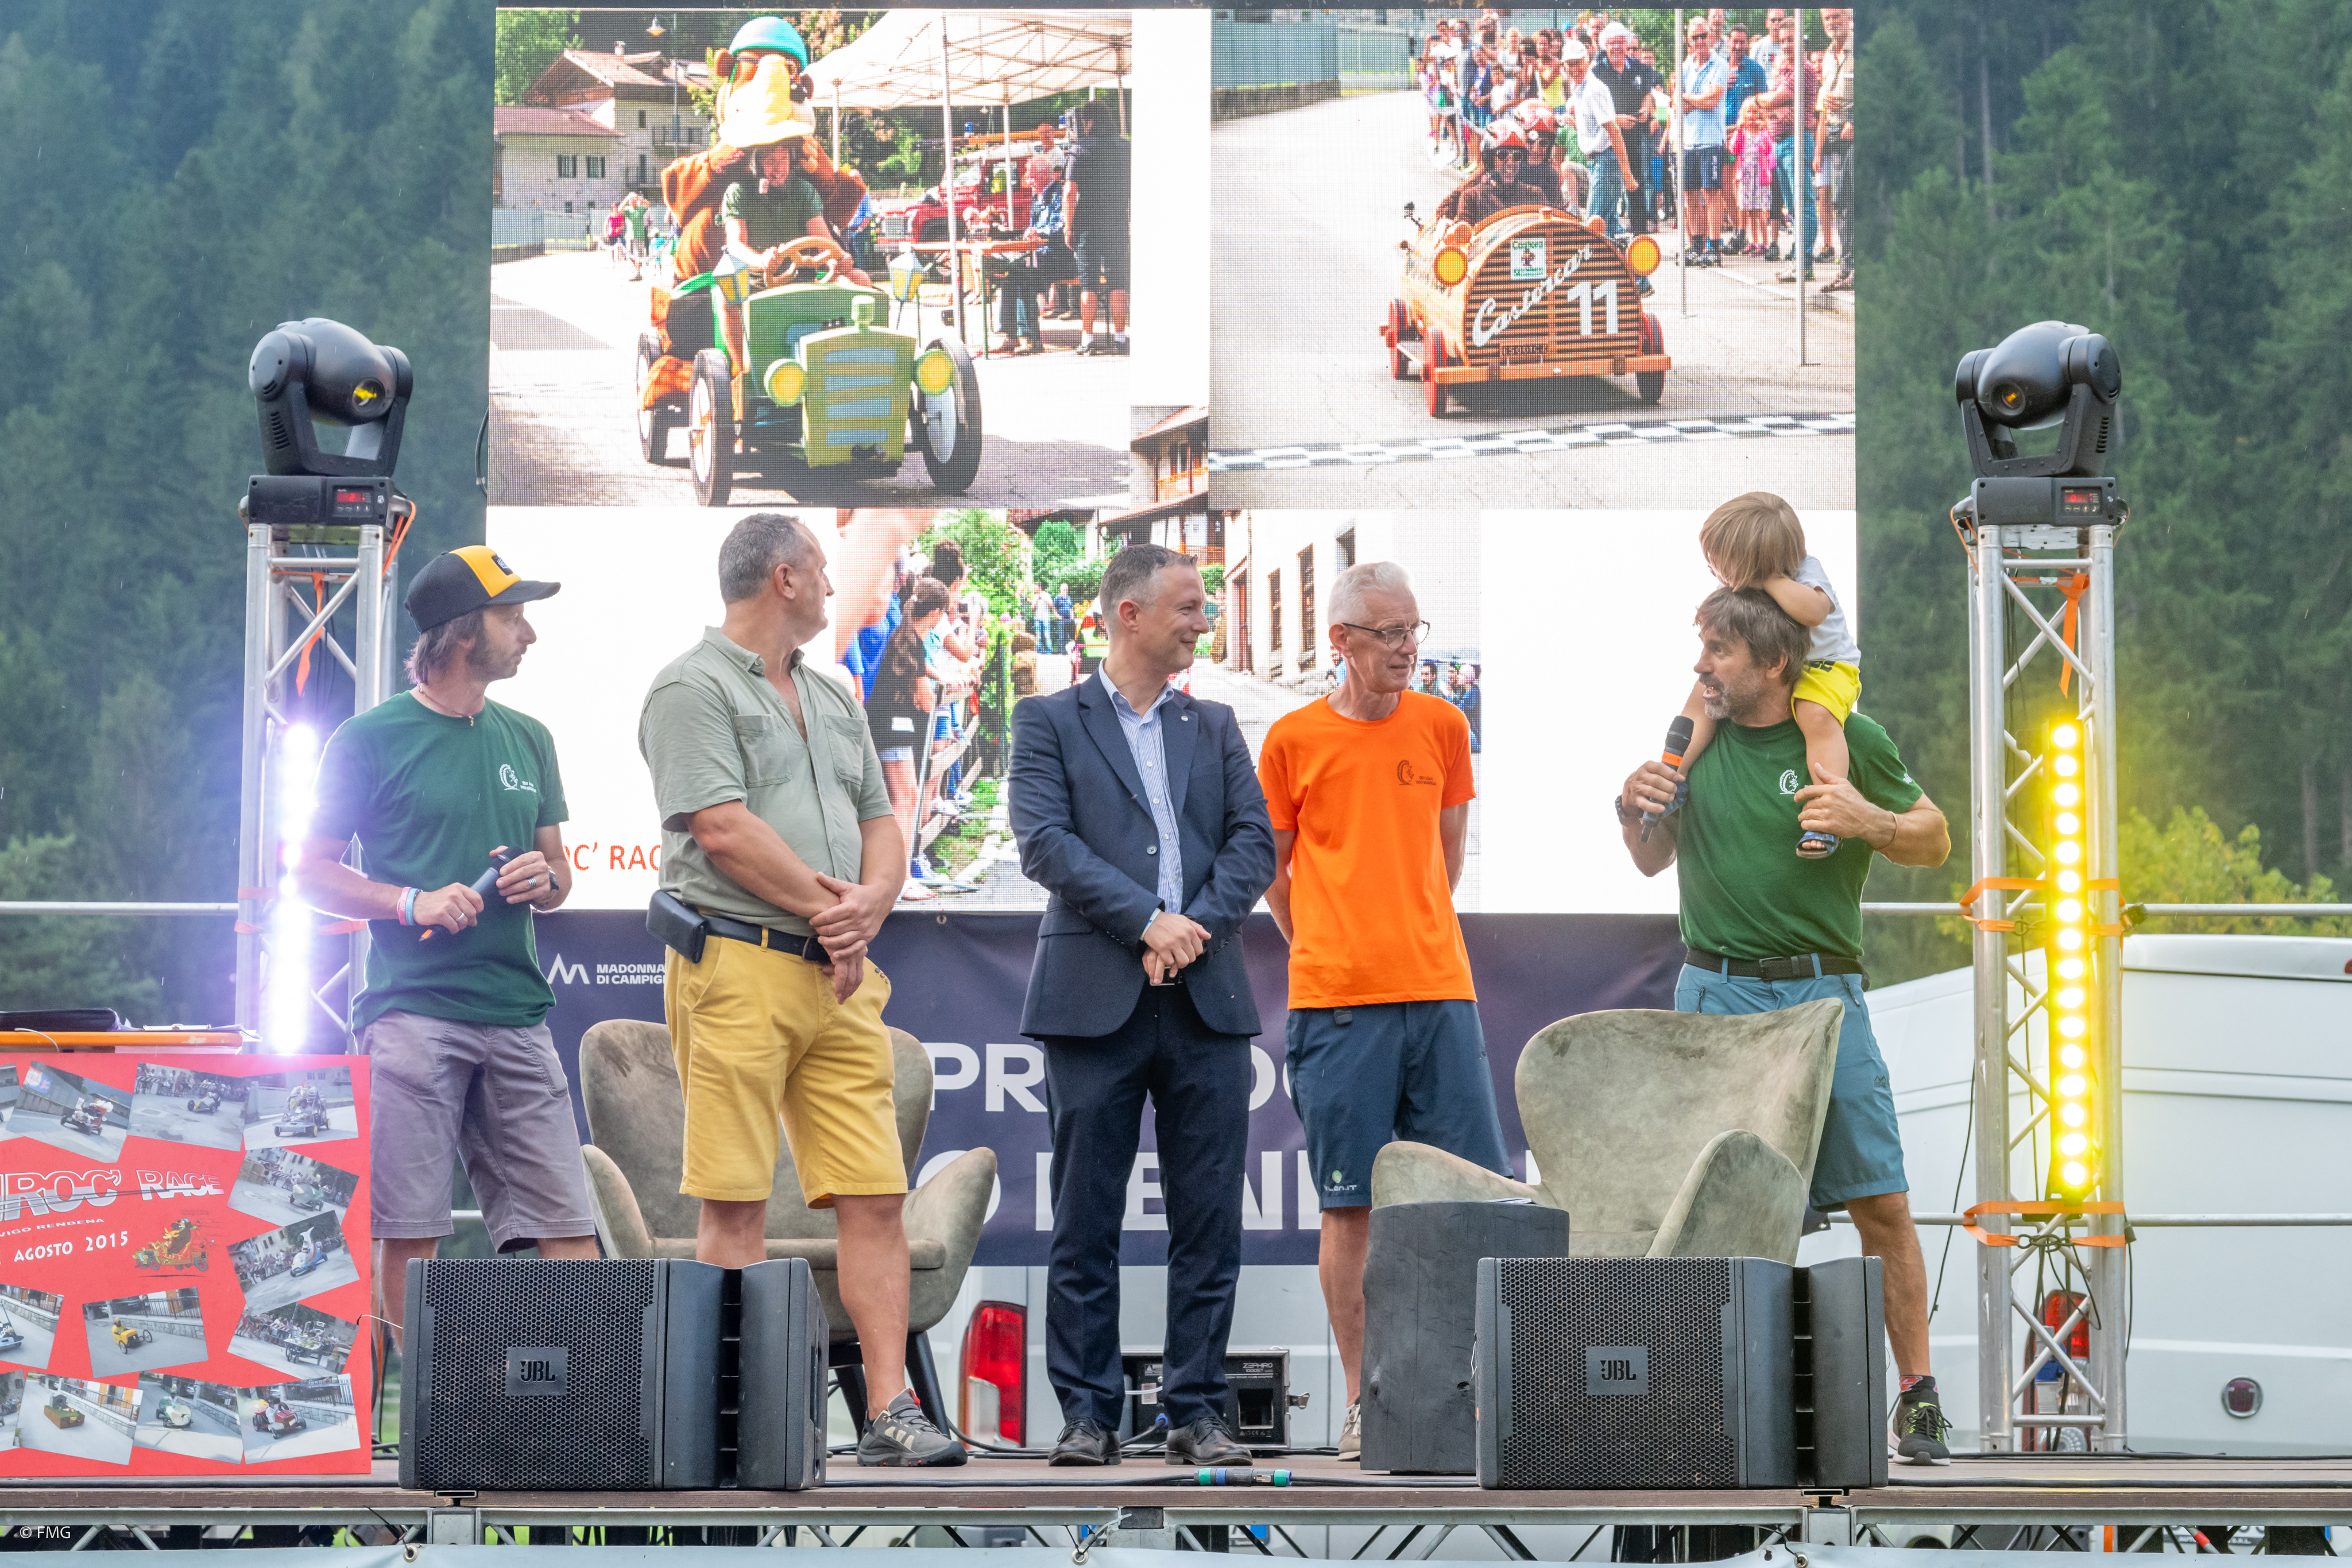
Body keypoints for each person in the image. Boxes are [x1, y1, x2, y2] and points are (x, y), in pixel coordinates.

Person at [637, 514, 960, 1467]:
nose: (832, 583)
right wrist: (837, 911)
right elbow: (722, 830)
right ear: (783, 578)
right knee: (735, 1202)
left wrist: (873, 903)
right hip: (736, 963)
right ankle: (731, 1414)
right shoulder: (690, 687)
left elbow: (882, 819)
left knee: (876, 1192)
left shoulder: (830, 692)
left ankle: (891, 1409)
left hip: (839, 975)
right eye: (821, 569)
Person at [1618, 586, 1954, 1466]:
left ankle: (1919, 1399)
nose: (1701, 667)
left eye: (1719, 652)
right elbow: (1649, 860)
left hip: (1825, 995)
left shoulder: (1851, 739)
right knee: (1711, 1210)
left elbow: (1935, 838)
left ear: (1774, 662)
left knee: (1881, 1201)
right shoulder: (1694, 741)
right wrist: (1630, 806)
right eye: (1702, 648)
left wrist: (1872, 820)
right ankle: (1695, 1404)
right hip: (1717, 993)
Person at [1009, 545, 1275, 1470]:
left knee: (1210, 1220)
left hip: (1205, 999)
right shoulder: (1047, 719)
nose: (1204, 620)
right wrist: (1145, 921)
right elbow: (1044, 841)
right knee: (1085, 1218)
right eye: (1190, 606)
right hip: (1095, 1000)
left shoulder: (1216, 723)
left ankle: (1195, 1411)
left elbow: (1254, 842)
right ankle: (1089, 1417)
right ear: (1130, 613)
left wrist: (1189, 930)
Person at [292, 547, 598, 1345]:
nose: (528, 633)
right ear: (463, 632)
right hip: (411, 1017)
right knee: (411, 1231)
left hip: (519, 1014)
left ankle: (582, 1405)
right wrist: (410, 901)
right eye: (512, 617)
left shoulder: (530, 737)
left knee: (571, 1229)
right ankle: (424, 1407)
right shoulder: (368, 738)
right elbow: (309, 872)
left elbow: (560, 873)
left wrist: (545, 878)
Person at [1258, 562, 1507, 1464]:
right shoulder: (1291, 738)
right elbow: (1274, 873)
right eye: (1390, 633)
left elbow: (1448, 856)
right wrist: (1332, 942)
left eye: (1414, 630)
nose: (1408, 648)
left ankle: (1469, 1397)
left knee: (1470, 1202)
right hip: (1336, 1003)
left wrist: (1408, 932)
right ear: (1341, 641)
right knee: (1351, 1206)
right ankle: (1369, 1401)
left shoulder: (1443, 724)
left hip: (1440, 990)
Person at [1666, 494, 1858, 858]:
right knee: (1702, 697)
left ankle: (1826, 813)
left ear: (1754, 563)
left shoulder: (1804, 571)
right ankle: (1673, 778)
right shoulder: (1739, 587)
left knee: (1815, 713)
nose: (1715, 571)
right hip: (1775, 665)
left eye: (1721, 562)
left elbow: (1815, 612)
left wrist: (1769, 580)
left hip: (1825, 665)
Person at [869, 575, 952, 902]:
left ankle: (895, 877)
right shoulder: (914, 643)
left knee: (903, 799)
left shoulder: (905, 636)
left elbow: (922, 673)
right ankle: (900, 881)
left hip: (888, 727)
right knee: (905, 801)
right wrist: (938, 694)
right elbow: (925, 700)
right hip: (894, 729)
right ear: (936, 614)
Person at [1064, 98, 1129, 357]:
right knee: (1118, 281)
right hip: (1117, 223)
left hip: (1087, 224)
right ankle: (1121, 338)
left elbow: (1069, 192)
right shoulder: (1126, 148)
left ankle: (1088, 338)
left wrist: (1068, 227)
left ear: (1088, 122)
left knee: (1088, 283)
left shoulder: (1079, 149)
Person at [1761, 13, 1819, 281]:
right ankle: (1798, 259)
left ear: (1801, 41)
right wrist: (1770, 106)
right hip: (1781, 142)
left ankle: (1805, 263)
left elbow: (1777, 99)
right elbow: (1774, 103)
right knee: (1792, 207)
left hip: (1797, 140)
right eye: (1783, 40)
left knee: (1803, 203)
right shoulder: (1783, 68)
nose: (1787, 45)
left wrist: (1757, 102)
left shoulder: (1803, 69)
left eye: (1791, 40)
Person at [1592, 24, 1662, 238]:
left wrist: (1647, 105)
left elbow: (1650, 93)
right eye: (1612, 43)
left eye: (1621, 42)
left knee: (1636, 181)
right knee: (1610, 183)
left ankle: (1640, 232)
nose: (1617, 47)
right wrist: (1616, 120)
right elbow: (1591, 108)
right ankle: (1603, 233)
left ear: (1627, 44)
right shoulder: (1596, 72)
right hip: (1607, 138)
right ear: (1605, 46)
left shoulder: (1639, 67)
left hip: (1634, 135)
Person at [1676, 15, 1730, 265]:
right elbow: (1679, 106)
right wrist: (1697, 98)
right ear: (1689, 41)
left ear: (1711, 37)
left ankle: (1714, 247)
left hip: (1710, 140)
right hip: (1688, 141)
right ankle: (1697, 246)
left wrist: (1688, 96)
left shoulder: (1720, 65)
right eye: (1695, 37)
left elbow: (1713, 101)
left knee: (1712, 194)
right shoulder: (1685, 67)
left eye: (1703, 36)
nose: (1700, 41)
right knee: (1690, 195)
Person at [1568, 38, 1631, 238]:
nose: (1574, 68)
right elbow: (1594, 129)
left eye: (1577, 63)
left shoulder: (1594, 89)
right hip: (1599, 161)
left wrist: (1627, 173)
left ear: (1587, 61)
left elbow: (1614, 131)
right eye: (1569, 64)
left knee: (1594, 226)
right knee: (1608, 225)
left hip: (1606, 161)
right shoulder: (1578, 88)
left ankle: (1631, 255)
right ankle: (1630, 257)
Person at [1437, 121, 1544, 227]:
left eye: (1517, 157)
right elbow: (1449, 219)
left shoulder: (1534, 194)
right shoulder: (1472, 197)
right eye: (1503, 155)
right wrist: (1480, 172)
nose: (1510, 163)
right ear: (1491, 160)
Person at [1816, 8, 1855, 292]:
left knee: (1855, 202)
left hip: (1856, 137)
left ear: (1848, 17)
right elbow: (1822, 106)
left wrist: (1855, 120)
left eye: (1836, 17)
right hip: (1834, 139)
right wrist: (1818, 150)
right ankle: (1847, 269)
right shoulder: (1828, 56)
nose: (1831, 22)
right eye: (1827, 18)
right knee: (1840, 204)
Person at [1727, 98, 1778, 258]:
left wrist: (1763, 129)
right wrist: (1738, 129)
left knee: (1759, 211)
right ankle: (1754, 242)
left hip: (1760, 177)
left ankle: (1766, 243)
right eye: (1748, 112)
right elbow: (1733, 149)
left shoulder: (1764, 132)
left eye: (1755, 112)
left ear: (1760, 114)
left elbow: (1768, 148)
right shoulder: (1742, 132)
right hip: (1746, 177)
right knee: (1748, 211)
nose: (1752, 115)